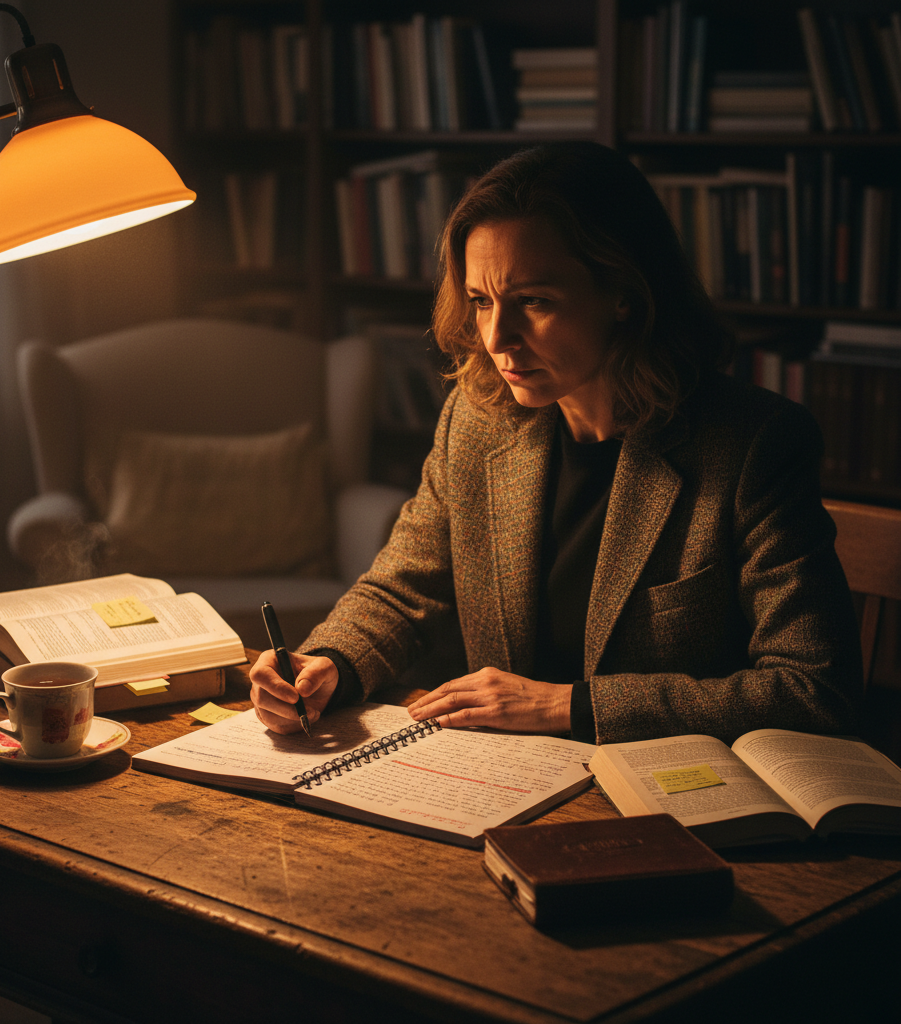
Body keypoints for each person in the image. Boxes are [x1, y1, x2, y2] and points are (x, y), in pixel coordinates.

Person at [249, 142, 862, 746]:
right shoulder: (477, 418)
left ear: (624, 292)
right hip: (502, 782)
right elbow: (404, 587)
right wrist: (331, 661)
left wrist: (567, 705)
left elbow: (813, 686)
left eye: (534, 301)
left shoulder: (752, 444)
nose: (496, 338)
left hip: (666, 799)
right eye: (480, 301)